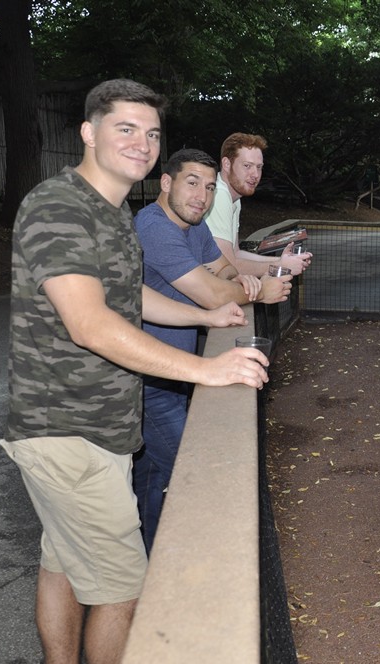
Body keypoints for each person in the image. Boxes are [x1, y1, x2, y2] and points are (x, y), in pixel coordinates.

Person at [0, 79, 271, 664]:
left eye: (150, 133)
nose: (141, 143)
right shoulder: (60, 206)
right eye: (125, 129)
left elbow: (130, 299)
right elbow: (90, 324)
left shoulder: (113, 212)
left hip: (99, 429)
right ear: (88, 132)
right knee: (123, 590)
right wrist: (206, 370)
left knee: (63, 563)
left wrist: (205, 314)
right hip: (68, 430)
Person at [133, 147, 293, 553]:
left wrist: (240, 281)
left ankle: (151, 562)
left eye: (208, 188)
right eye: (192, 184)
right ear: (165, 183)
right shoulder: (154, 227)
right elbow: (210, 294)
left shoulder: (194, 223)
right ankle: (208, 566)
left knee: (152, 478)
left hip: (176, 375)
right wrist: (259, 291)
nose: (201, 197)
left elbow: (223, 269)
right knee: (203, 478)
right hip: (150, 382)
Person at [204, 132, 312, 277]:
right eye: (247, 166)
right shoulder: (218, 195)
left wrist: (283, 260)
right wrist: (280, 266)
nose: (255, 174)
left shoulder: (233, 198)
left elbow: (236, 253)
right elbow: (228, 266)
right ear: (227, 164)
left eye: (259, 167)